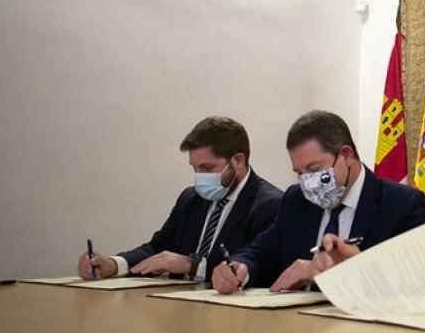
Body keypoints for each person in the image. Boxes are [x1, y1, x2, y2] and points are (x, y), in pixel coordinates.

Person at [212, 110, 425, 293]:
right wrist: (239, 267)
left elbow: (411, 278)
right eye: (299, 172)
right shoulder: (296, 200)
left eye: (314, 169)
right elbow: (260, 251)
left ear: (346, 155)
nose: (308, 181)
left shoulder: (401, 204)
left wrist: (328, 273)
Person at [78, 116, 283, 281]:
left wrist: (193, 266)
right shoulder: (190, 198)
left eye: (208, 168)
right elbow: (158, 248)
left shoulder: (271, 204)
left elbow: (261, 266)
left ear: (237, 161)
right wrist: (114, 264)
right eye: (195, 169)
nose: (200, 177)